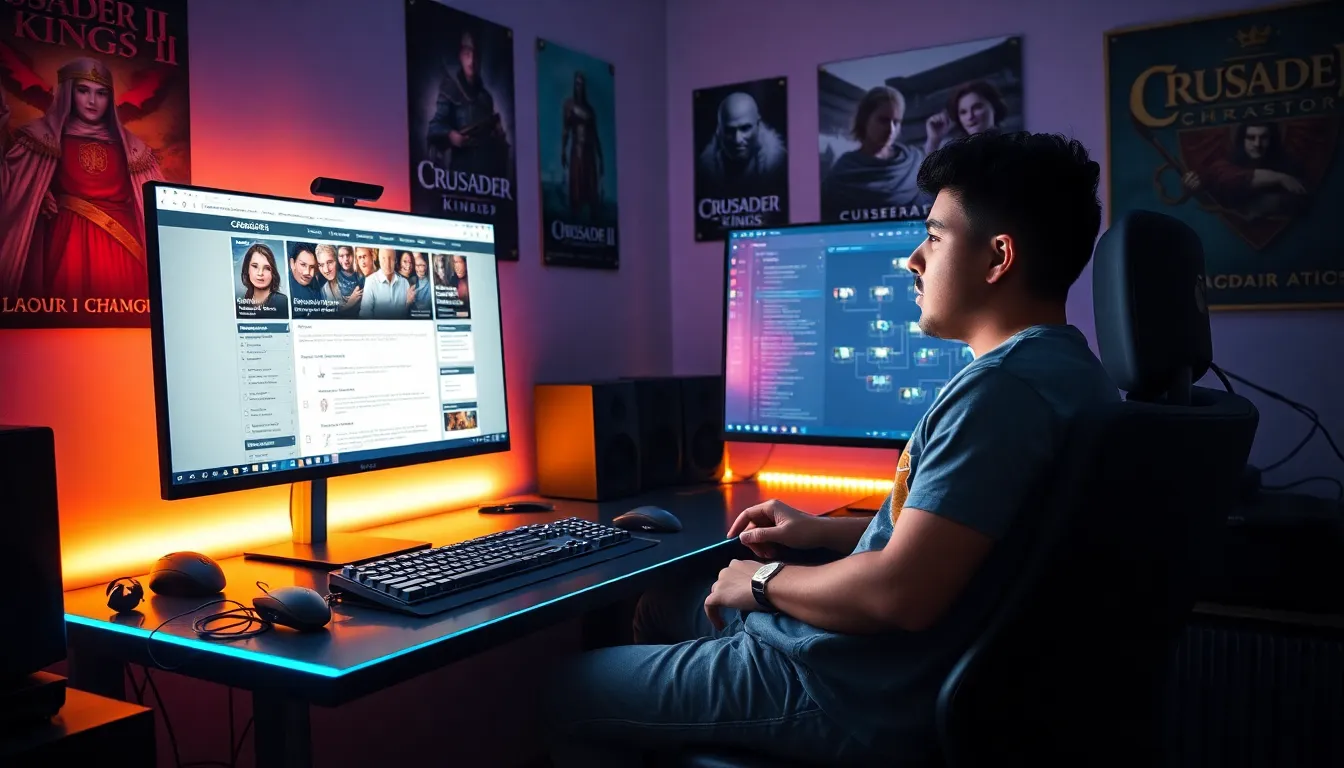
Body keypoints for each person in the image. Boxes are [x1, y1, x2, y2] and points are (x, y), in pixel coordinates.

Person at [542, 131, 1121, 766]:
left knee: (553, 691)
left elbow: (899, 592)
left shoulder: (1000, 392)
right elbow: (961, 543)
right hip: (878, 662)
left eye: (933, 236)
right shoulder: (1071, 373)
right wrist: (818, 534)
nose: (912, 260)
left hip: (841, 684)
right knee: (661, 603)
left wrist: (762, 580)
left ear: (997, 258)